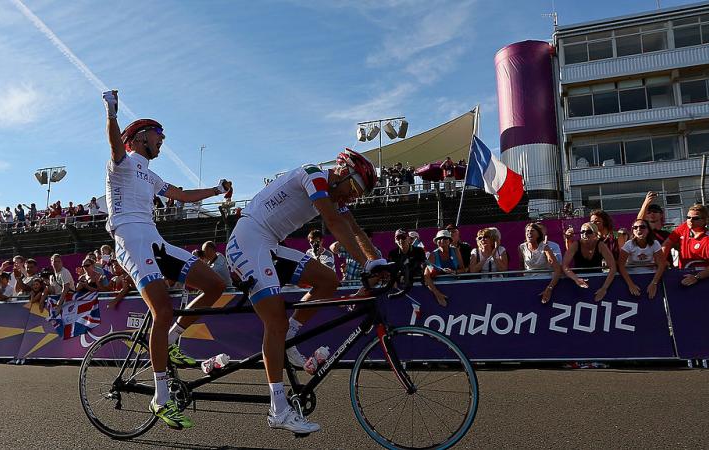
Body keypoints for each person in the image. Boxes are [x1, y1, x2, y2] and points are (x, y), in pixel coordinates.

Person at [225, 147, 385, 434]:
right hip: (249, 238)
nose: (353, 196)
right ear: (342, 171)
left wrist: (380, 262)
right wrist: (367, 266)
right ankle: (278, 409)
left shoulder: (336, 194)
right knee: (275, 320)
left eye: (359, 194)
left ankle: (291, 334)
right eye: (354, 188)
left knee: (327, 281)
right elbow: (335, 224)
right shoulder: (314, 175)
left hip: (270, 243)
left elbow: (356, 230)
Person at [102, 89, 232, 430]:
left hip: (154, 239)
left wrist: (217, 190)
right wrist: (112, 114)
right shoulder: (123, 163)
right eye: (159, 135)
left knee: (215, 285)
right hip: (130, 240)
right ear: (141, 137)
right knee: (162, 308)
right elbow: (116, 145)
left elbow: (184, 195)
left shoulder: (152, 175)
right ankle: (160, 399)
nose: (163, 141)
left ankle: (171, 338)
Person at [661, 204, 709, 287]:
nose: (690, 220)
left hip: (703, 281)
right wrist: (661, 261)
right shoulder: (685, 227)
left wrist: (696, 277)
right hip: (683, 276)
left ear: (705, 220)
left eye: (695, 218)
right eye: (688, 217)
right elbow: (667, 243)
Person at [562, 222, 618, 302]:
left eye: (588, 232)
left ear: (595, 234)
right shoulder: (576, 245)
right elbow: (565, 266)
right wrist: (576, 279)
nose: (585, 234)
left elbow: (613, 267)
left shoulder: (600, 245)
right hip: (578, 281)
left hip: (597, 279)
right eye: (582, 232)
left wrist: (604, 288)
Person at [617, 218, 666, 299]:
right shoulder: (628, 245)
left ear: (648, 230)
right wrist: (630, 285)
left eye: (642, 227)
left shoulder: (655, 243)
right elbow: (621, 265)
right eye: (635, 227)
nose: (638, 229)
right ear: (632, 231)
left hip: (651, 275)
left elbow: (661, 265)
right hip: (631, 276)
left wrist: (654, 283)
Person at [519, 223, 562, 303]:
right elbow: (521, 266)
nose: (529, 233)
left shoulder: (545, 247)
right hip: (528, 283)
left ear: (538, 234)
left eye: (532, 231)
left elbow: (557, 269)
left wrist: (549, 288)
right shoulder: (522, 247)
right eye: (527, 231)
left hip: (544, 282)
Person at [423, 229, 466, 306]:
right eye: (439, 239)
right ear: (436, 242)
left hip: (456, 288)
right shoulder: (433, 255)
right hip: (439, 288)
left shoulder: (456, 251)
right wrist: (438, 294)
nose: (442, 240)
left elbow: (463, 269)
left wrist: (453, 272)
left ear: (449, 241)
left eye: (445, 238)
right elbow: (426, 277)